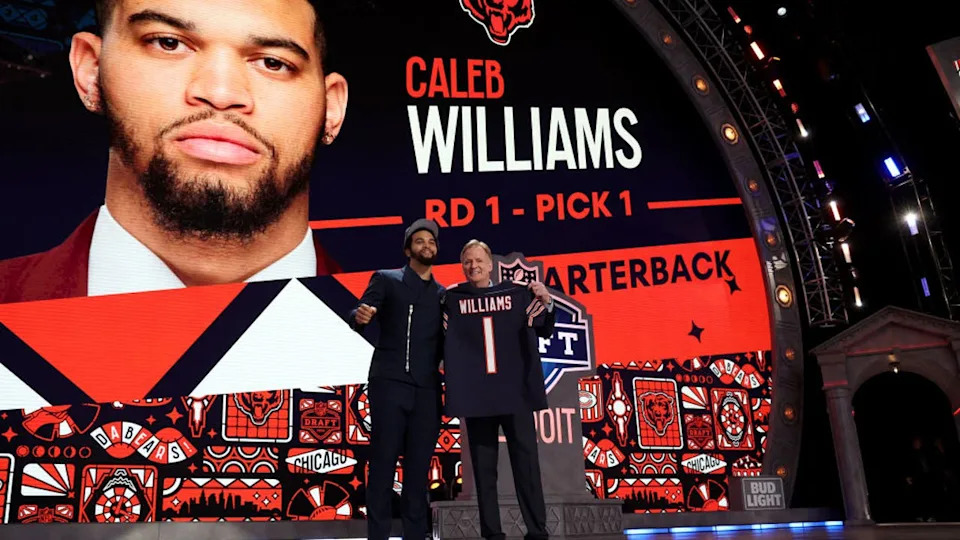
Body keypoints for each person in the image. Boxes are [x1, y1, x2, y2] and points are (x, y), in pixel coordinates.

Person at [0, 0, 346, 304]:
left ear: (331, 108)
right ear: (91, 69)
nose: (220, 93)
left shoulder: (379, 334)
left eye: (273, 62)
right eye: (168, 43)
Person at [442, 239, 554, 540]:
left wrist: (547, 301)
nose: (473, 266)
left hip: (514, 393)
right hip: (477, 397)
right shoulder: (451, 301)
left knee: (526, 464)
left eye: (479, 260)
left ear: (491, 265)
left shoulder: (517, 294)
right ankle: (492, 534)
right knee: (483, 469)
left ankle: (537, 532)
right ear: (462, 267)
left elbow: (544, 326)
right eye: (468, 262)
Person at [349, 218, 445, 540]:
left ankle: (415, 535)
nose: (426, 246)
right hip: (390, 384)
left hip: (427, 391)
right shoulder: (387, 280)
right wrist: (360, 316)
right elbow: (361, 312)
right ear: (407, 250)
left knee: (418, 471)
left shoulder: (443, 295)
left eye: (431, 241)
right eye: (419, 241)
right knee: (383, 465)